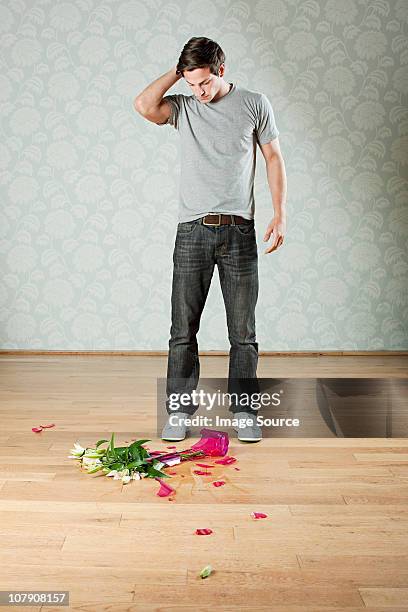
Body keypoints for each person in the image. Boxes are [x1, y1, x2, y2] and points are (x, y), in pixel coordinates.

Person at [134, 36, 287, 443]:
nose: (198, 93)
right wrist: (177, 72)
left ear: (222, 70)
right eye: (191, 84)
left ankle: (244, 412)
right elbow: (144, 105)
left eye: (204, 83)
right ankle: (179, 411)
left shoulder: (255, 103)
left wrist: (279, 213)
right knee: (182, 329)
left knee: (243, 331)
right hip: (192, 231)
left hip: (239, 230)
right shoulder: (183, 108)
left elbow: (273, 157)